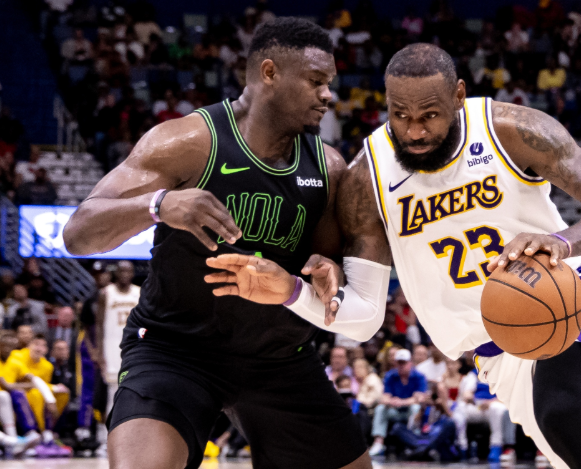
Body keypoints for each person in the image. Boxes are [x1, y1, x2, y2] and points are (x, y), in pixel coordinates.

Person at [210, 43, 581, 469]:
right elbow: (364, 318)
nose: (415, 131)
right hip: (496, 349)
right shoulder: (368, 177)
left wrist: (564, 241)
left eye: (429, 115)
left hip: (573, 301)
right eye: (400, 115)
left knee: (563, 413)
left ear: (458, 95)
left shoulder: (509, 130)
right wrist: (293, 292)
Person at [62, 18, 381, 469]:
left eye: (329, 83)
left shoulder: (328, 167)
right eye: (315, 81)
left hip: (279, 359)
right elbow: (78, 233)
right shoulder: (187, 142)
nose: (328, 95)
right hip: (175, 351)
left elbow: (330, 270)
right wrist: (159, 204)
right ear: (269, 73)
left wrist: (331, 271)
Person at [94, 260, 140, 455]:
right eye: (121, 271)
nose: (124, 274)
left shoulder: (139, 292)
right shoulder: (106, 293)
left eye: (128, 271)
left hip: (134, 347)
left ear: (133, 273)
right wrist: (99, 351)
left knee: (135, 393)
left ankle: (133, 440)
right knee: (113, 394)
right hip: (112, 348)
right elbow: (99, 324)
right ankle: (107, 439)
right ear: (116, 273)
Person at [370, 349, 428, 456]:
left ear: (410, 363)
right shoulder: (390, 376)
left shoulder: (419, 376)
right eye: (399, 362)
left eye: (404, 363)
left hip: (409, 410)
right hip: (395, 410)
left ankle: (413, 440)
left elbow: (420, 398)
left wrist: (402, 402)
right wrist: (392, 401)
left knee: (416, 408)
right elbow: (385, 397)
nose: (401, 366)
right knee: (380, 409)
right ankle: (378, 442)